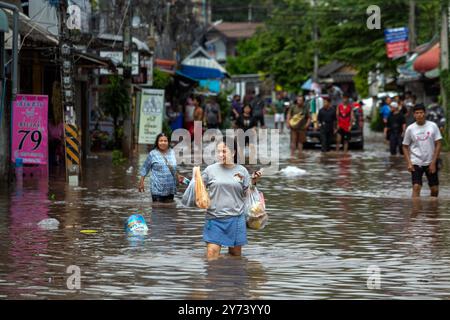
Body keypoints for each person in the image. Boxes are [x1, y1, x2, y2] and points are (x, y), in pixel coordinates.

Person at [200, 136, 262, 260]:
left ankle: (229, 277)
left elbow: (247, 195)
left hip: (236, 220)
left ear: (233, 152)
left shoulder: (242, 171)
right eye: (218, 151)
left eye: (224, 151)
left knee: (235, 257)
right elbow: (198, 189)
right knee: (212, 254)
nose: (220, 154)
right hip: (214, 219)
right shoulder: (209, 170)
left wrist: (254, 182)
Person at [402, 104, 443, 198]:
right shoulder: (410, 129)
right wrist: (409, 163)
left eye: (421, 112)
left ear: (425, 113)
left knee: (434, 189)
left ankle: (433, 209)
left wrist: (433, 162)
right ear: (414, 115)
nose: (419, 115)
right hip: (416, 161)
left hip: (431, 161)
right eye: (417, 113)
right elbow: (404, 146)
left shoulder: (433, 126)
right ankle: (415, 210)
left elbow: (438, 143)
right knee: (416, 187)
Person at [139, 133, 185, 204]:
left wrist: (177, 176)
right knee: (158, 210)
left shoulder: (172, 152)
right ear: (157, 142)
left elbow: (172, 168)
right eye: (161, 141)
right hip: (157, 188)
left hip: (170, 189)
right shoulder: (153, 154)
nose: (163, 143)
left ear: (168, 142)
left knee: (169, 211)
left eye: (165, 141)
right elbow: (145, 167)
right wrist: (141, 182)